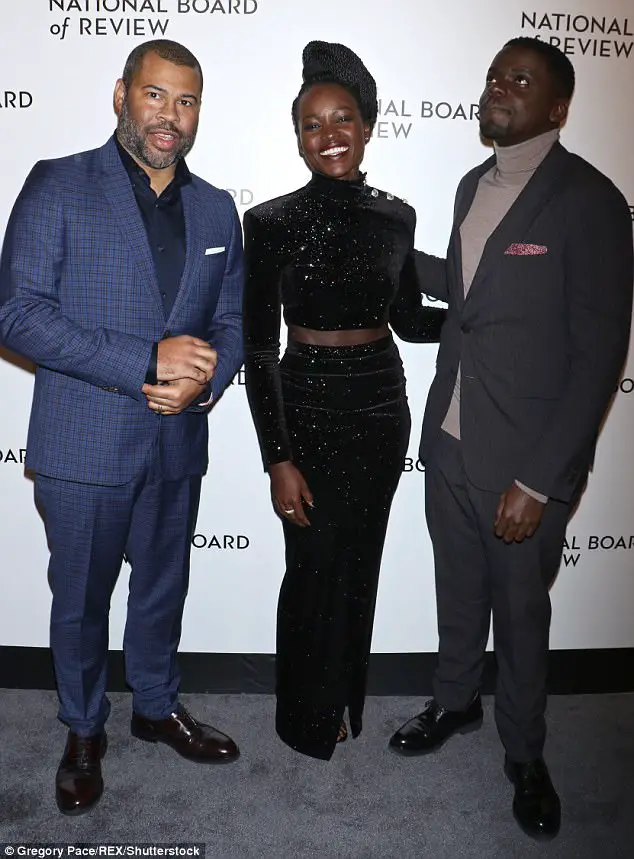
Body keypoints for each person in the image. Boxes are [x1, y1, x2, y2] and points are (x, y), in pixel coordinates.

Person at [389, 37, 633, 839]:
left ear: (557, 109)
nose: (499, 87)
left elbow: (600, 355)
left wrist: (540, 478)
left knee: (522, 615)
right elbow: (469, 291)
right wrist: (385, 250)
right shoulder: (470, 184)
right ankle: (455, 702)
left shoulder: (590, 200)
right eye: (495, 75)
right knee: (457, 593)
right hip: (452, 440)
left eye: (520, 80)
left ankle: (526, 755)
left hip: (522, 465)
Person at [0, 39, 244, 815]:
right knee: (80, 599)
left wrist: (202, 382)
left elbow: (233, 321)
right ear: (120, 94)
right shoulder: (59, 184)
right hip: (84, 443)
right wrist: (146, 361)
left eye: (187, 100)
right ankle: (82, 730)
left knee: (163, 589)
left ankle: (155, 703)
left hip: (178, 441)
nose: (171, 116)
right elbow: (17, 314)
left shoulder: (216, 208)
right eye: (156, 95)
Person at [243, 40, 445, 761]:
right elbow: (259, 348)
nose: (328, 135)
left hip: (382, 407)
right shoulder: (267, 222)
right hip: (307, 403)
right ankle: (305, 717)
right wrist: (278, 457)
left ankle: (344, 707)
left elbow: (413, 320)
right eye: (311, 124)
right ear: (297, 137)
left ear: (366, 127)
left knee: (362, 561)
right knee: (311, 567)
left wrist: (483, 316)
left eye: (342, 119)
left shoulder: (397, 216)